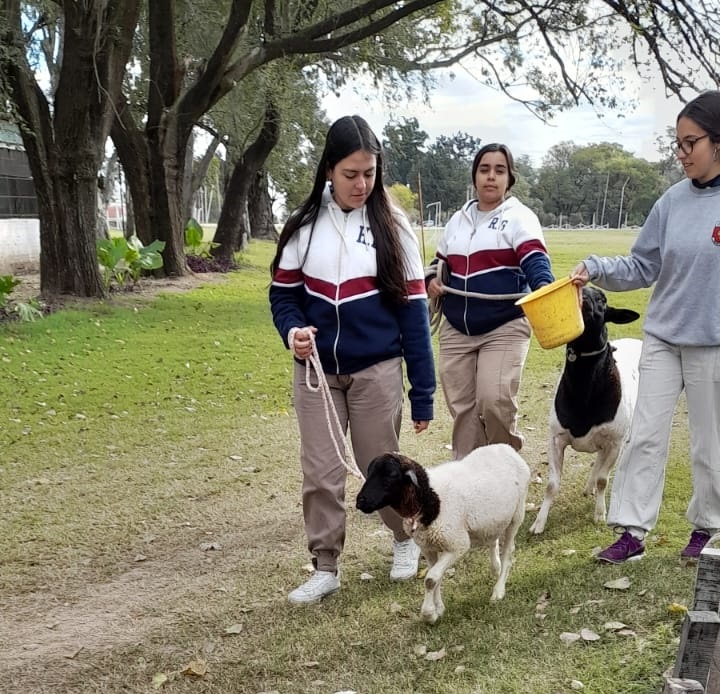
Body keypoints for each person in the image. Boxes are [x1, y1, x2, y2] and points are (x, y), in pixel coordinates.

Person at [269, 115, 436, 604]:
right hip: (317, 373)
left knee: (377, 466)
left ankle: (405, 539)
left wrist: (422, 392)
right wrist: (292, 333)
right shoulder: (302, 227)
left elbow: (413, 314)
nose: (362, 184)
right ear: (328, 170)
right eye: (351, 174)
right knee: (321, 471)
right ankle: (325, 566)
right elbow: (283, 297)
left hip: (376, 371)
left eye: (370, 173)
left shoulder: (394, 226)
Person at [571, 90, 720, 565]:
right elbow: (640, 266)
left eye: (689, 142)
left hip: (712, 344)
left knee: (709, 441)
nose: (680, 153)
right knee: (645, 435)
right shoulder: (672, 201)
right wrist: (595, 267)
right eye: (676, 143)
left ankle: (708, 531)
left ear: (718, 142)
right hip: (663, 337)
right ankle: (630, 532)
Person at [427, 143, 554, 459]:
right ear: (474, 176)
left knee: (494, 401)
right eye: (484, 169)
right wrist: (431, 279)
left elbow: (535, 261)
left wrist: (547, 289)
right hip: (456, 328)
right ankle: (469, 480)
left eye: (500, 170)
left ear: (510, 178)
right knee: (463, 410)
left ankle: (505, 470)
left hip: (504, 324)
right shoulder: (458, 219)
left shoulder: (519, 218)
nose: (491, 177)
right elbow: (439, 262)